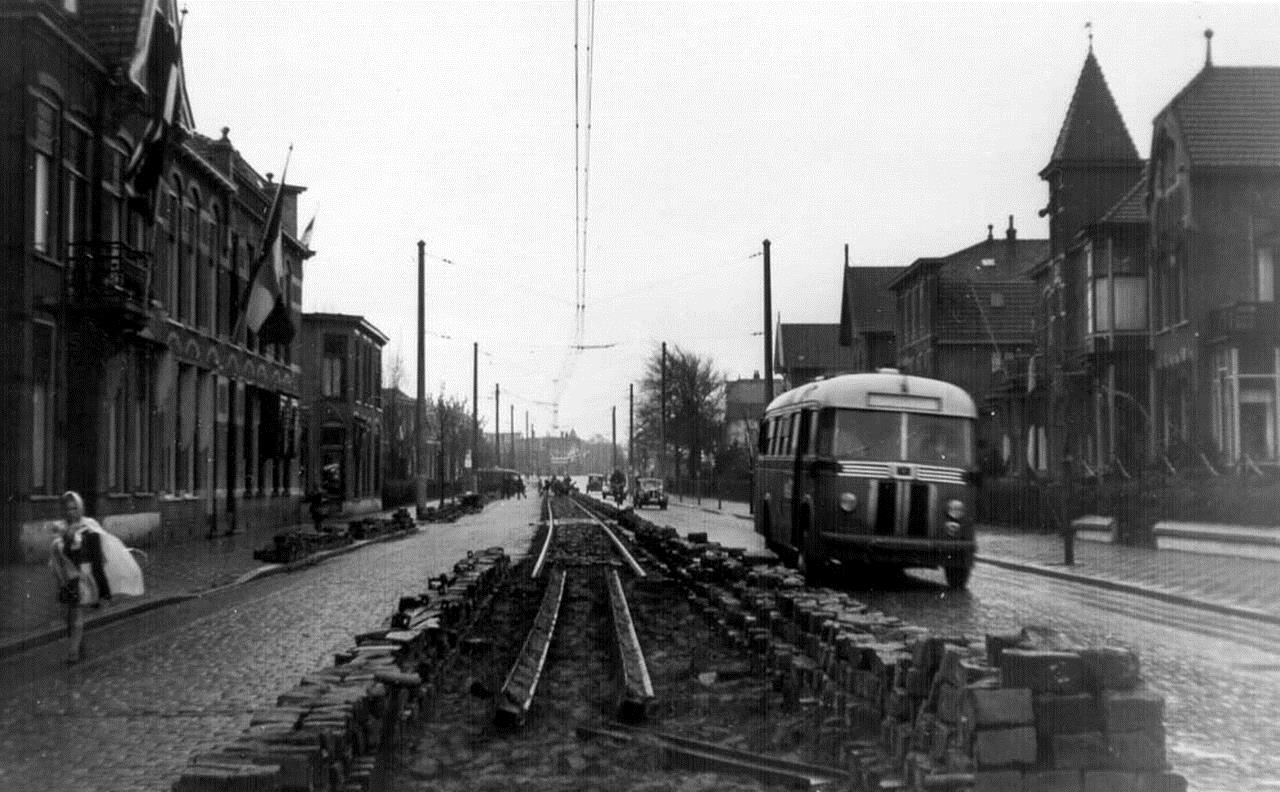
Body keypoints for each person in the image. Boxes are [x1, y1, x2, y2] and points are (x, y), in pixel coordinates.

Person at [48, 491, 144, 665]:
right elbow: (55, 553)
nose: (71, 512)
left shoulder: (88, 525)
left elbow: (103, 547)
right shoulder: (59, 527)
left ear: (80, 508)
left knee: (76, 612)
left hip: (81, 576)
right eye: (67, 508)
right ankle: (79, 644)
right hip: (64, 577)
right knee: (68, 616)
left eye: (74, 508)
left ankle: (73, 654)